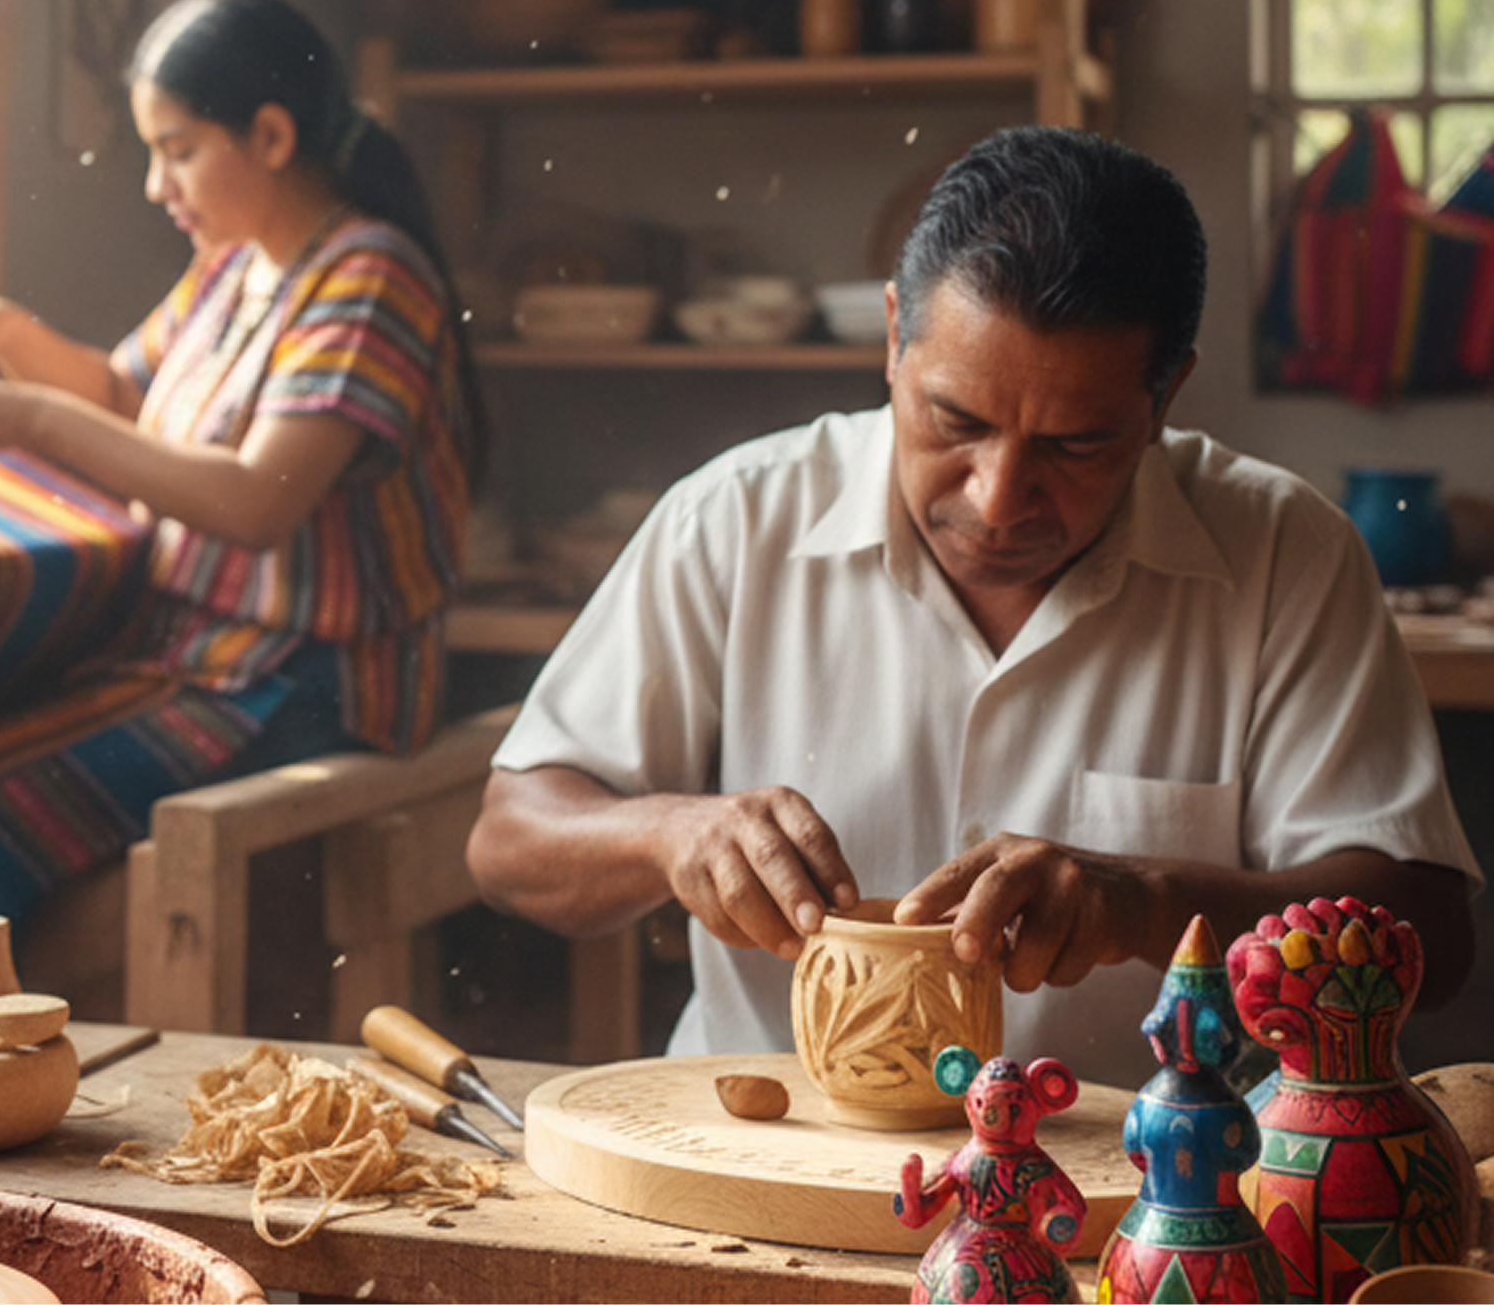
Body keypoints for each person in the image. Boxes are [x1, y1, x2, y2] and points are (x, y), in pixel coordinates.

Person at [467, 126, 1481, 1089]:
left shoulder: (1281, 555)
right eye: (957, 419)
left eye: (1075, 444)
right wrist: (668, 832)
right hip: (765, 1163)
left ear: (1166, 396)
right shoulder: (735, 519)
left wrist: (1151, 901)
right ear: (896, 339)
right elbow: (510, 841)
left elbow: (1429, 940)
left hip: (1143, 1199)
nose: (997, 498)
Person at [0, 0, 480, 938]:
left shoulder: (370, 277)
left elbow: (254, 501)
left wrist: (28, 414)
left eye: (178, 150)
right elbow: (125, 397)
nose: (158, 187)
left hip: (309, 684)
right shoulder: (236, 267)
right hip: (209, 661)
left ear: (271, 137)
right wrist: (4, 330)